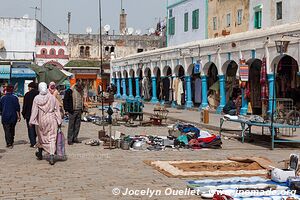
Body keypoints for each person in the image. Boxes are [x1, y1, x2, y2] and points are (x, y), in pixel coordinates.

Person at [29, 82, 62, 165]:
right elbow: (57, 110)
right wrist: (59, 121)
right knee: (52, 138)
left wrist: (31, 121)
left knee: (41, 137)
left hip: (41, 120)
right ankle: (51, 155)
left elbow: (34, 111)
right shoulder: (52, 98)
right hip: (51, 119)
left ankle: (40, 153)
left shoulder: (36, 98)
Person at [63, 80, 84, 145]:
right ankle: (70, 139)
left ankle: (75, 138)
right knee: (71, 125)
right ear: (76, 86)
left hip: (79, 109)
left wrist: (83, 107)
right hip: (72, 110)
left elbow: (81, 99)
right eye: (80, 88)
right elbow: (65, 100)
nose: (80, 89)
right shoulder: (70, 91)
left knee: (77, 125)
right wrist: (66, 110)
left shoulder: (81, 91)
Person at [22, 82, 39, 147]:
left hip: (28, 114)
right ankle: (35, 139)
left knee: (30, 128)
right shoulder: (38, 93)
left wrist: (23, 113)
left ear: (30, 87)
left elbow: (25, 105)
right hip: (37, 114)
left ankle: (33, 142)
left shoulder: (27, 94)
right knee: (36, 128)